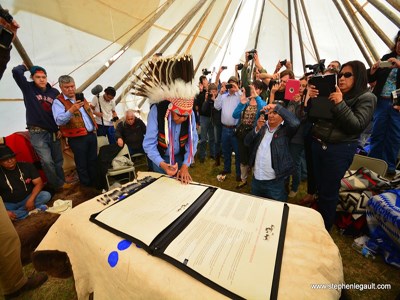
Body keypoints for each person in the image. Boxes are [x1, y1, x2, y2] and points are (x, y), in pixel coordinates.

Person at [0, 16, 48, 299]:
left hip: (25, 200)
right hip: (13, 204)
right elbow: (19, 75)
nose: (9, 162)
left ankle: (14, 285)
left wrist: (6, 38)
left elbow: (38, 184)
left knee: (8, 234)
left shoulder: (23, 164)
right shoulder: (29, 89)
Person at [309, 60, 376, 230]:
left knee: (329, 192)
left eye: (347, 75)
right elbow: (313, 118)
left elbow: (356, 126)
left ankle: (324, 230)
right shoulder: (333, 93)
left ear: (359, 77)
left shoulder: (367, 97)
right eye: (340, 75)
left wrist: (340, 103)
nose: (342, 79)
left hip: (339, 150)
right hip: (319, 144)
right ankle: (317, 219)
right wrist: (311, 99)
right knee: (320, 187)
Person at [137, 54, 198, 184]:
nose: (182, 119)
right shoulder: (156, 111)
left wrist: (185, 166)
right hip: (160, 160)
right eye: (179, 115)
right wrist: (163, 164)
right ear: (170, 109)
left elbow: (193, 141)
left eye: (185, 116)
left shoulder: (190, 114)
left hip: (180, 159)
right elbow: (149, 144)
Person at [12, 64, 66, 190]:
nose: (41, 79)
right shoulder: (28, 88)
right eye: (38, 77)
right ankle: (58, 186)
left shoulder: (54, 92)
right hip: (37, 133)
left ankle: (63, 184)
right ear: (32, 78)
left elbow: (60, 112)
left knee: (58, 161)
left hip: (54, 131)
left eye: (44, 77)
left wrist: (61, 129)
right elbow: (15, 72)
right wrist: (24, 67)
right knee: (47, 162)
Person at [244, 103, 299, 201]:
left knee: (275, 211)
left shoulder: (285, 131)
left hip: (275, 182)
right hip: (256, 179)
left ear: (282, 116)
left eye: (275, 113)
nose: (271, 115)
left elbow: (295, 123)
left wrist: (276, 107)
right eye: (269, 113)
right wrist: (256, 129)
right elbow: (247, 142)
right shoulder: (263, 128)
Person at [52, 75, 98, 187]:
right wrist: (72, 109)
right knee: (82, 165)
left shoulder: (80, 97)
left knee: (93, 162)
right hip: (77, 138)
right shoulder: (58, 102)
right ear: (61, 87)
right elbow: (59, 120)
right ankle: (87, 189)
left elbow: (88, 115)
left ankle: (97, 186)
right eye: (67, 87)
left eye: (72, 86)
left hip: (91, 135)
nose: (70, 89)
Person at [368, 31, 400, 176]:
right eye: (398, 41)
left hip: (397, 104)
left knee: (393, 136)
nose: (399, 44)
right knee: (377, 133)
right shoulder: (387, 58)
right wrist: (373, 70)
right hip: (381, 100)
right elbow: (372, 78)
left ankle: (389, 169)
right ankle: (372, 166)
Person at [0, 145, 51, 220]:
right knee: (3, 213)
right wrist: (6, 212)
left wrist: (31, 200)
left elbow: (39, 183)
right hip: (9, 204)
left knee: (46, 195)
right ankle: (35, 209)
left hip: (27, 198)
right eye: (5, 160)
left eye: (12, 157)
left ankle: (17, 214)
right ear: (0, 162)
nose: (10, 161)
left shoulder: (27, 166)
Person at [232, 83, 266, 189]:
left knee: (255, 156)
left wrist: (256, 97)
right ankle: (243, 179)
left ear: (260, 91)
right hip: (243, 133)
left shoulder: (262, 102)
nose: (252, 90)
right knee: (243, 156)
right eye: (252, 88)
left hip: (255, 134)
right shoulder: (245, 102)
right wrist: (241, 104)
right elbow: (235, 115)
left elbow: (263, 109)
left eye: (255, 88)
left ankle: (255, 179)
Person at [214, 76, 242, 181]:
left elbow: (245, 101)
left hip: (235, 129)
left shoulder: (239, 96)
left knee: (238, 152)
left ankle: (239, 173)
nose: (231, 87)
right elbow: (217, 106)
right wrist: (221, 93)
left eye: (233, 85)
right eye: (230, 85)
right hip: (225, 128)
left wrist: (237, 89)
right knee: (226, 150)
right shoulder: (224, 96)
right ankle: (227, 168)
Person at [195, 75, 215, 163]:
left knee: (212, 137)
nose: (205, 81)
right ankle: (202, 155)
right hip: (203, 117)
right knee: (203, 138)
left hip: (212, 117)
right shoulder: (200, 93)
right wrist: (204, 97)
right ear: (201, 82)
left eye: (205, 79)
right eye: (203, 80)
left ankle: (212, 154)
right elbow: (198, 106)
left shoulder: (212, 91)